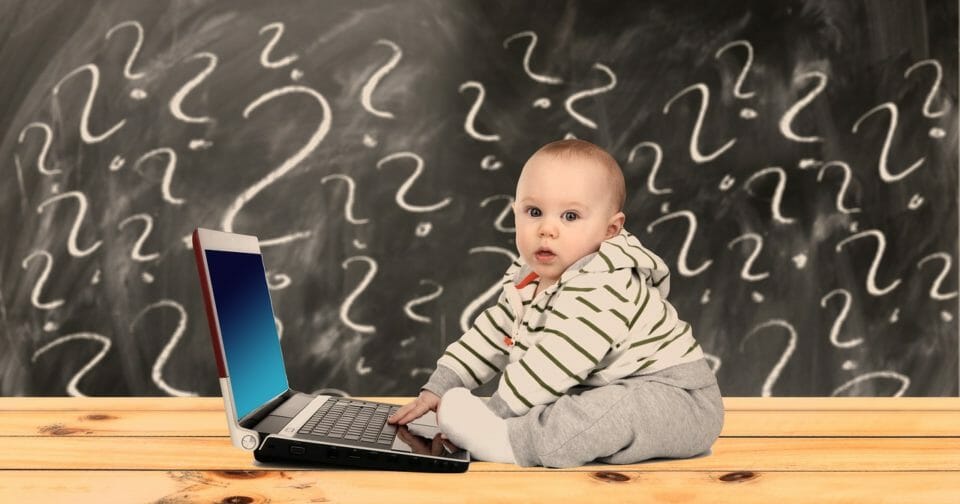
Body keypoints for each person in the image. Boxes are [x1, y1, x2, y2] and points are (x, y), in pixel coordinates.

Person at [388, 139, 724, 468]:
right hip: (614, 390)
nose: (547, 229)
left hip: (678, 400)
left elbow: (561, 358)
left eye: (570, 216)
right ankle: (511, 429)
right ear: (515, 212)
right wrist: (441, 385)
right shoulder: (530, 280)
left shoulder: (604, 281)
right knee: (576, 408)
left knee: (607, 412)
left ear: (610, 229)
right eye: (534, 212)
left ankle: (505, 441)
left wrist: (497, 410)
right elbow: (492, 333)